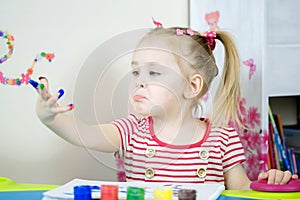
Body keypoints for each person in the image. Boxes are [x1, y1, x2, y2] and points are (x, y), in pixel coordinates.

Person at [31, 26, 298, 190]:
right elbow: (84, 134)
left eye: (154, 74)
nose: (139, 83)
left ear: (192, 86)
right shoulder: (130, 132)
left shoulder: (222, 138)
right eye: (135, 72)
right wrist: (50, 118)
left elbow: (239, 189)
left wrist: (269, 182)